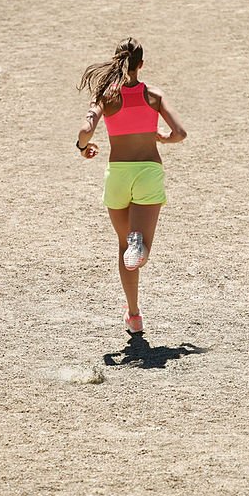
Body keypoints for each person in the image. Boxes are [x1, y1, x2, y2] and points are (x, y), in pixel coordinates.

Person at [75, 37, 187, 334]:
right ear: (141, 65)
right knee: (140, 248)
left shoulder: (105, 97)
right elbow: (181, 133)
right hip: (148, 170)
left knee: (125, 247)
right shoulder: (154, 95)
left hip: (118, 175)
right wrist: (162, 137)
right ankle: (142, 246)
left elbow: (86, 129)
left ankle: (134, 316)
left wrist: (82, 147)